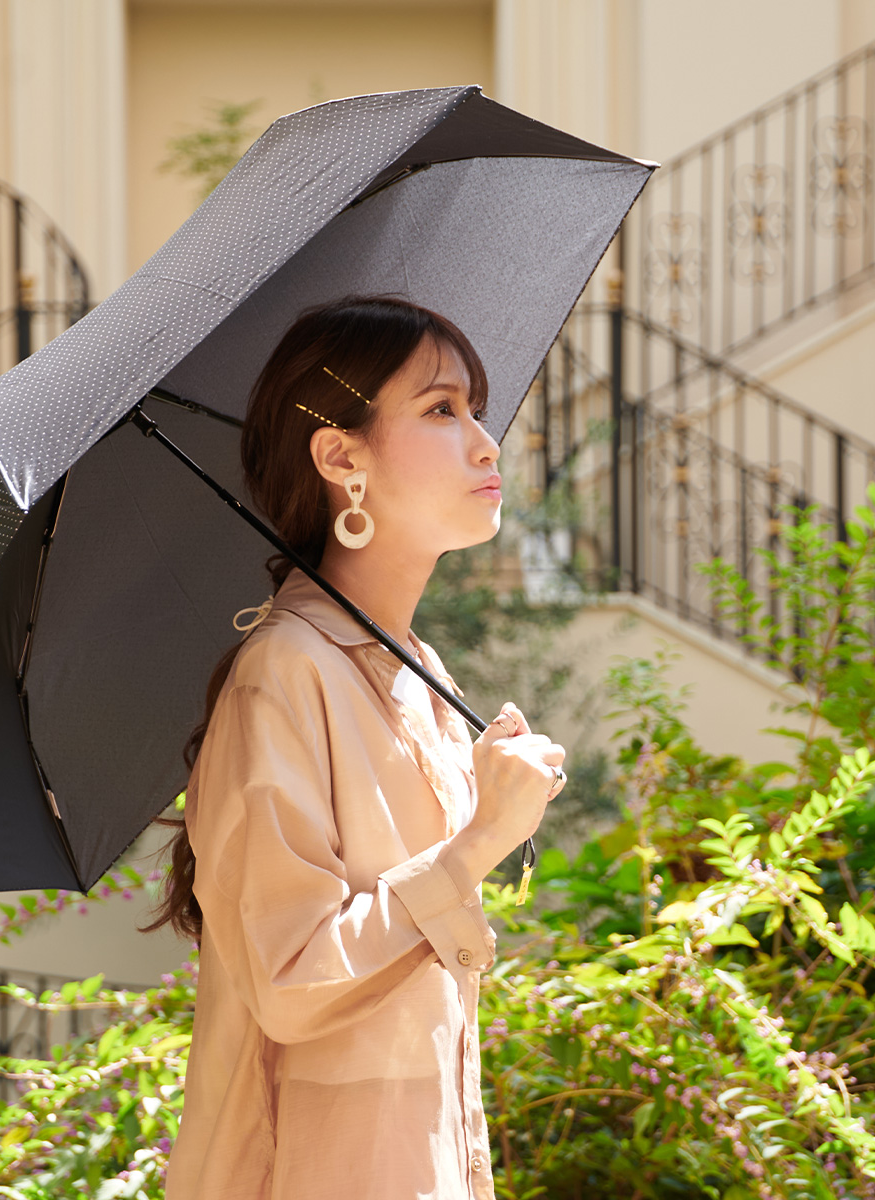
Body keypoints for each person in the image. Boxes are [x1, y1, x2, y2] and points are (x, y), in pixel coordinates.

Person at [144, 295, 567, 1199]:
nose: (486, 444)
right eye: (442, 410)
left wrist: (491, 800)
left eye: (476, 409)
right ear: (341, 457)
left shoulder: (419, 671)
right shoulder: (283, 674)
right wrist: (479, 840)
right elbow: (293, 980)